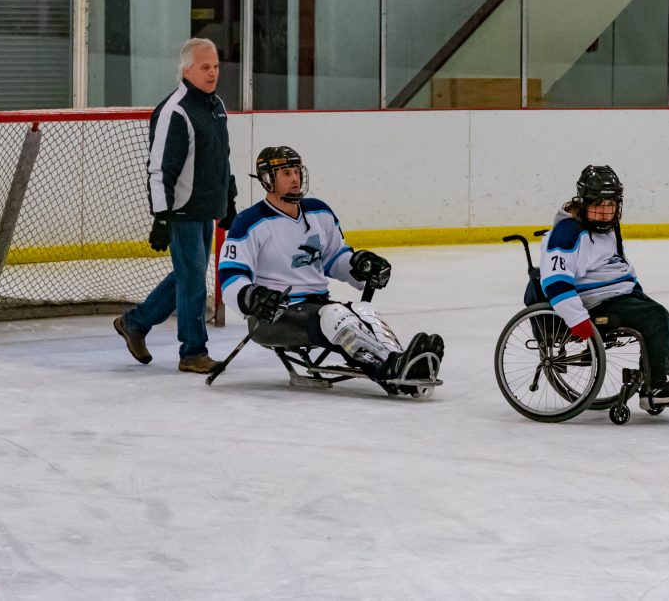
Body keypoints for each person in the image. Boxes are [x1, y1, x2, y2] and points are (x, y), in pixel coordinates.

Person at [217, 146, 443, 387]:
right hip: (275, 318)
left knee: (364, 310)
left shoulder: (319, 212)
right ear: (267, 179)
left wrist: (359, 265)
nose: (295, 178)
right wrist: (251, 297)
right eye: (285, 173)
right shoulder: (249, 222)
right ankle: (388, 368)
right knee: (335, 314)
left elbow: (335, 258)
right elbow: (231, 275)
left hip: (317, 307)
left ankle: (400, 361)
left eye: (296, 171)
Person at [114, 38, 237, 374]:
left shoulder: (216, 105)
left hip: (205, 210)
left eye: (215, 65)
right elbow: (159, 169)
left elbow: (220, 158)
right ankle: (192, 352)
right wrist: (162, 218)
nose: (213, 72)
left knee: (187, 276)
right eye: (205, 67)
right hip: (181, 212)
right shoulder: (175, 111)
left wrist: (228, 198)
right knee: (194, 281)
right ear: (186, 70)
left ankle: (135, 323)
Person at [537, 165, 669, 406]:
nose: (606, 213)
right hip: (593, 303)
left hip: (615, 295)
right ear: (584, 202)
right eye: (599, 206)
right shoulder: (567, 232)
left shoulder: (609, 228)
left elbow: (618, 265)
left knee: (659, 315)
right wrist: (577, 319)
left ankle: (657, 382)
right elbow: (555, 282)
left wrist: (636, 291)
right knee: (655, 316)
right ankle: (655, 388)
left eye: (611, 206)